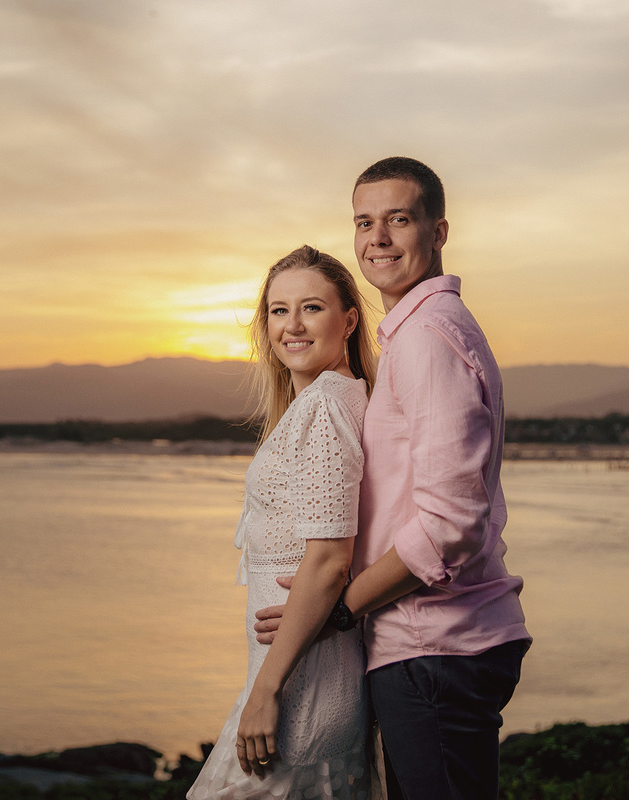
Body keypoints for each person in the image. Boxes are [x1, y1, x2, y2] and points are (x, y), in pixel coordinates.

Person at [255, 158, 531, 800]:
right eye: (364, 222)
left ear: (438, 231)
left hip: (436, 645)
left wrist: (336, 610)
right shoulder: (416, 334)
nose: (377, 238)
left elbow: (448, 528)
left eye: (398, 219)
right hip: (427, 646)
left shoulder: (428, 339)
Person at [187, 245, 377, 800]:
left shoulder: (325, 407)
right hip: (297, 675)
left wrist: (265, 691)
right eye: (277, 310)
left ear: (348, 319)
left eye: (311, 308)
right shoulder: (324, 401)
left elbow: (328, 558)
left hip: (299, 687)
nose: (291, 325)